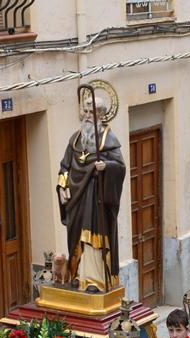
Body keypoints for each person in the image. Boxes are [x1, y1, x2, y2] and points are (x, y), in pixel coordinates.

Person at [56, 90, 127, 292]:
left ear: (102, 115)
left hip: (97, 198)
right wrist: (62, 186)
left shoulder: (109, 140)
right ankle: (78, 274)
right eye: (86, 111)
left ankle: (96, 280)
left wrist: (107, 168)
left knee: (94, 240)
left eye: (92, 112)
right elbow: (65, 166)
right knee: (76, 237)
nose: (87, 115)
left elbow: (120, 167)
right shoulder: (75, 140)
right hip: (77, 199)